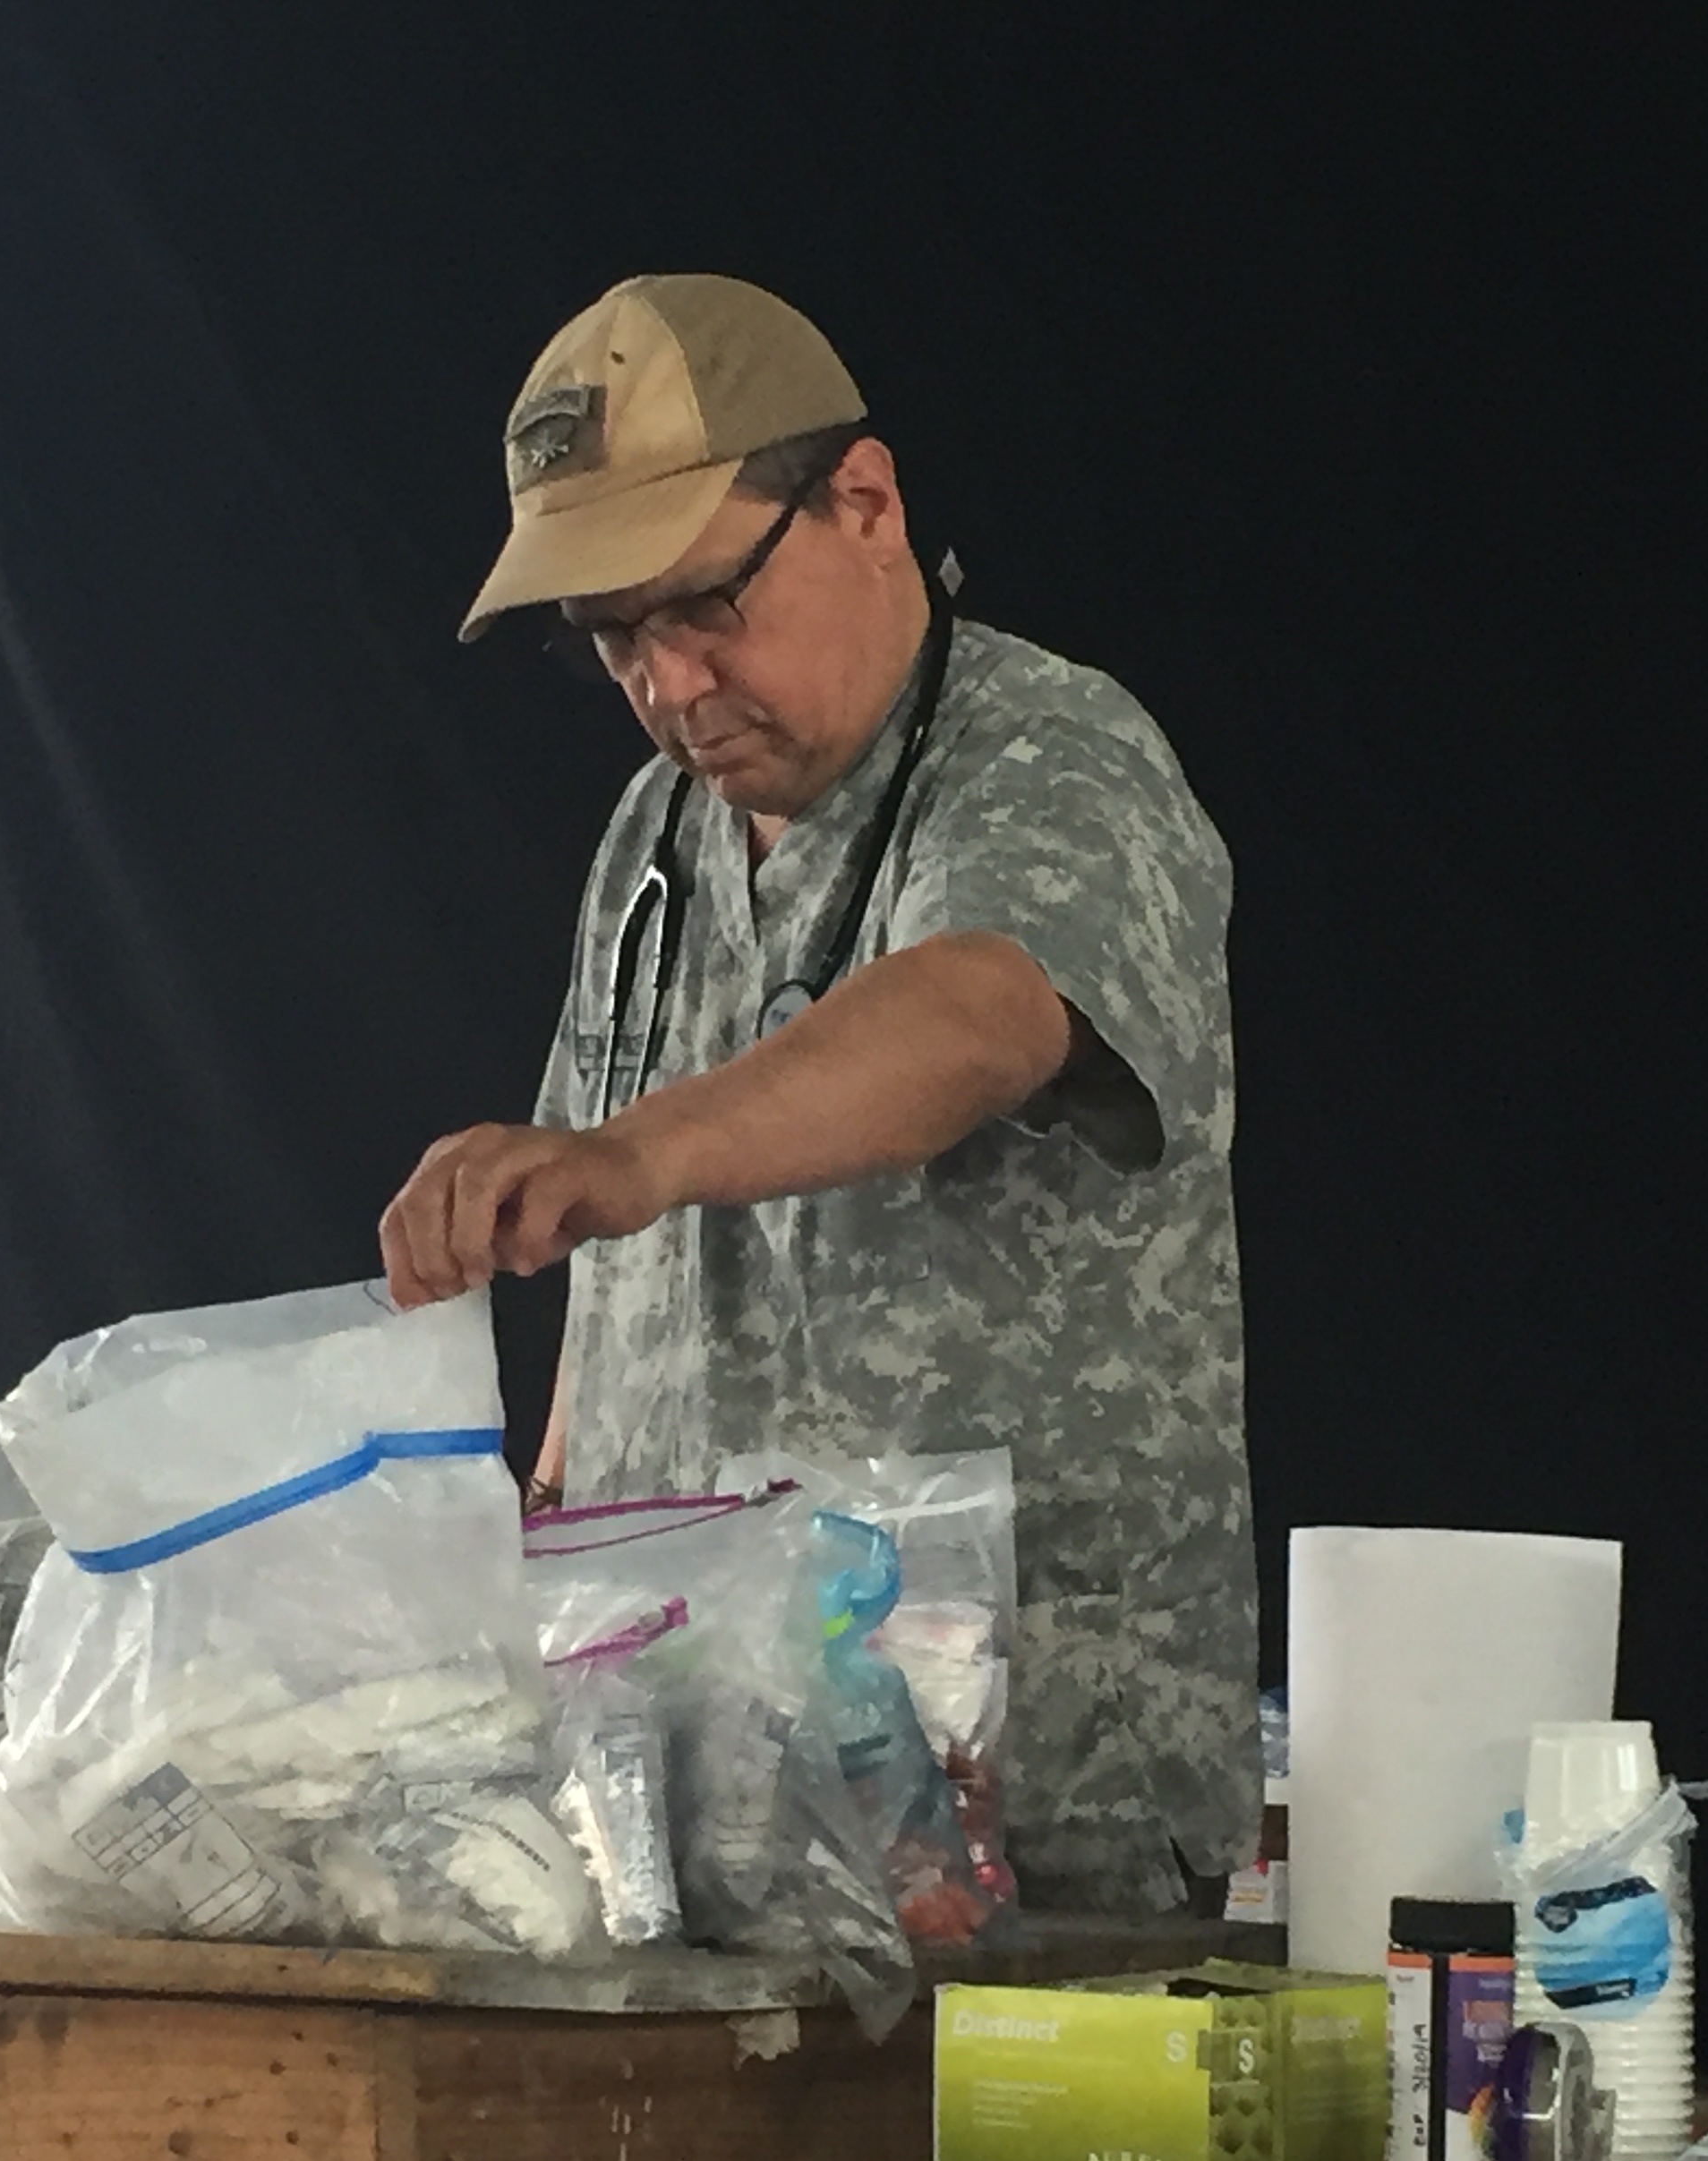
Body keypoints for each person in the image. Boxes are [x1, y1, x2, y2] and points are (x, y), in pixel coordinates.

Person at [377, 273, 1259, 1914]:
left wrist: (634, 1154)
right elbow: (614, 1271)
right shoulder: (652, 838)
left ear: (864, 502)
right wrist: (537, 1524)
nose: (671, 684)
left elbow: (979, 1015)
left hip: (1022, 1828)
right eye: (614, 637)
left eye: (703, 601)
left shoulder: (1051, 757)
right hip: (691, 1809)